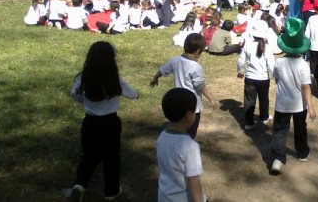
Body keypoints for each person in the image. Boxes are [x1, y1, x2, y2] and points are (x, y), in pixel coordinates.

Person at [65, 41, 138, 202]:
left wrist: (86, 102)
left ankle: (79, 185)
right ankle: (111, 191)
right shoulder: (114, 78)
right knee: (111, 157)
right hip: (110, 123)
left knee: (88, 155)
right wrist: (136, 94)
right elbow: (132, 94)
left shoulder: (83, 77)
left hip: (90, 122)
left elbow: (74, 95)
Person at [269, 18, 317, 174]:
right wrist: (311, 108)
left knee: (280, 131)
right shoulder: (303, 65)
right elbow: (306, 87)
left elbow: (277, 79)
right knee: (300, 128)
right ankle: (302, 152)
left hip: (282, 104)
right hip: (299, 105)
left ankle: (278, 159)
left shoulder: (279, 63)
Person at [150, 33, 217, 139]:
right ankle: (189, 144)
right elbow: (200, 86)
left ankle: (176, 142)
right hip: (192, 104)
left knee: (178, 126)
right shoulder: (196, 67)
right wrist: (211, 98)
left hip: (178, 102)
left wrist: (155, 78)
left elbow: (163, 69)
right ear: (198, 51)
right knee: (191, 130)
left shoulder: (175, 60)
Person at [155, 87, 206, 202]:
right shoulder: (191, 146)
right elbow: (193, 179)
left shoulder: (161, 137)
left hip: (164, 196)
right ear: (189, 116)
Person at [237, 20, 275, 130]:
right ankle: (264, 117)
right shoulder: (267, 47)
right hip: (263, 78)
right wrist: (274, 76)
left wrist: (240, 71)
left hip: (250, 77)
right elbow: (271, 64)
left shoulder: (247, 45)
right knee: (264, 98)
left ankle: (248, 123)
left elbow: (241, 60)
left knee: (249, 100)